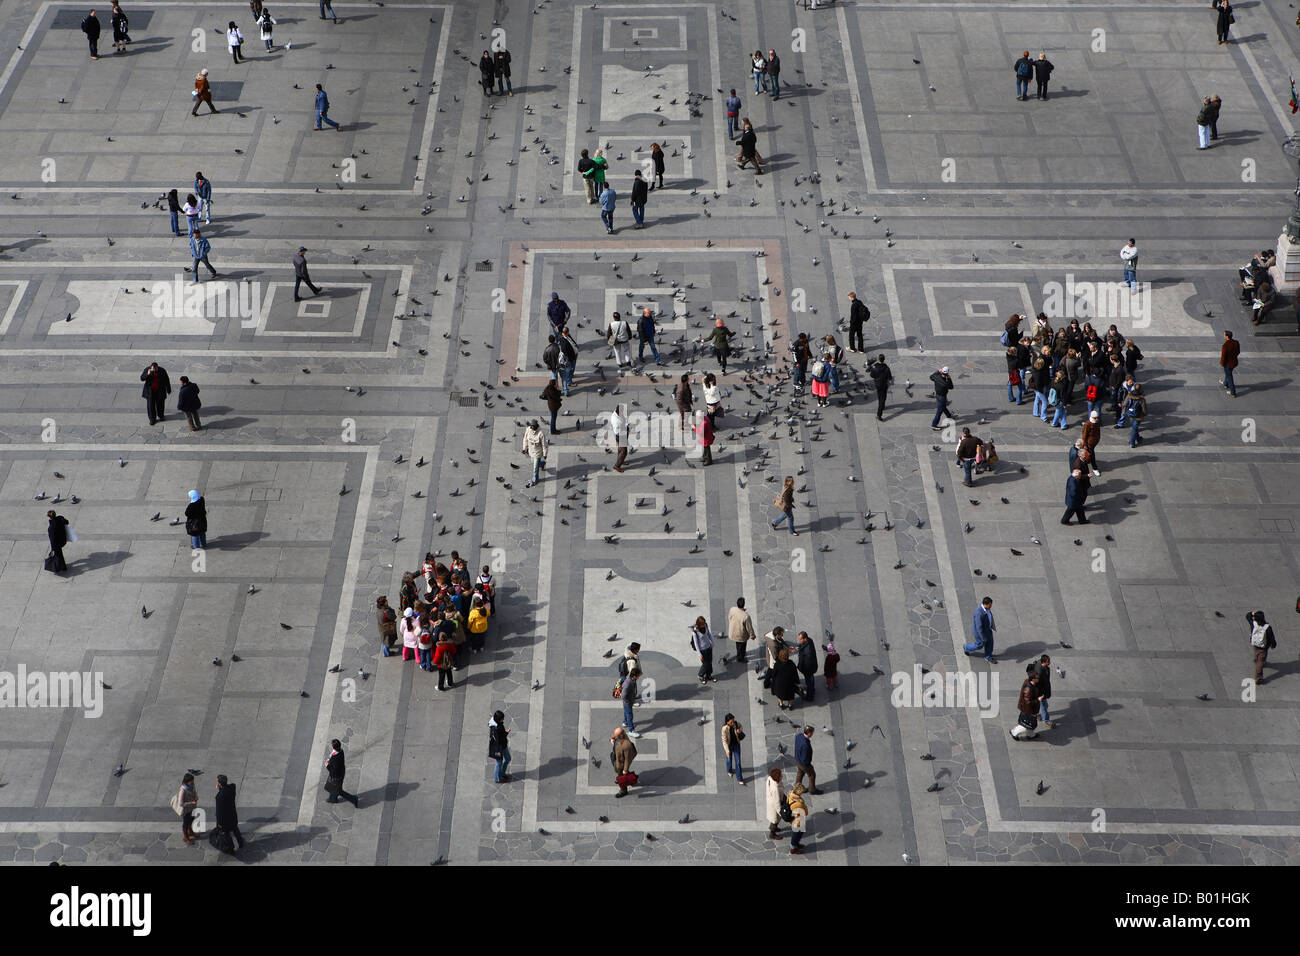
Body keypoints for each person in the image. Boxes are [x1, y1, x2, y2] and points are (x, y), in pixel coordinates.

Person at [214, 775, 245, 852]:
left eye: (217, 781)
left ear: (219, 784)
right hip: (232, 815)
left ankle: (230, 848)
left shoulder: (220, 797)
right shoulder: (232, 788)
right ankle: (240, 842)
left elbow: (219, 812)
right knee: (235, 829)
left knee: (226, 834)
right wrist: (221, 787)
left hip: (225, 820)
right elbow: (232, 785)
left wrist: (219, 823)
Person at [324, 739, 358, 805]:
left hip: (337, 776)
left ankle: (354, 799)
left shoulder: (335, 758)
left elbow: (334, 770)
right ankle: (333, 798)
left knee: (338, 790)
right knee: (334, 788)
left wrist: (327, 765)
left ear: (334, 747)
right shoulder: (341, 751)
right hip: (341, 773)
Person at [1012, 667, 1041, 740]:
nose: (1038, 679)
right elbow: (1027, 702)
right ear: (1033, 679)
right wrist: (1038, 700)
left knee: (1030, 723)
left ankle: (1030, 734)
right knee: (1026, 725)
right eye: (1037, 678)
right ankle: (1014, 732)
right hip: (1028, 710)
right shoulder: (1028, 688)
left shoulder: (1029, 683)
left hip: (1029, 709)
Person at [964, 596, 996, 662]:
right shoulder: (979, 613)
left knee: (990, 642)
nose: (991, 606)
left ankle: (988, 656)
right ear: (986, 604)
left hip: (988, 629)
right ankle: (967, 647)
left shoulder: (987, 609)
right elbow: (979, 627)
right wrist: (983, 637)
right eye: (990, 605)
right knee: (980, 645)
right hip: (981, 633)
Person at [1248, 610, 1276, 684]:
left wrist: (1251, 613)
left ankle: (1255, 659)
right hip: (1263, 647)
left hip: (1254, 644)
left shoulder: (1253, 624)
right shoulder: (1267, 627)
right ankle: (1258, 678)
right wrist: (1273, 644)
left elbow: (1247, 616)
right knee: (1261, 662)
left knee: (1256, 653)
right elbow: (1271, 637)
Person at [727, 597, 757, 663]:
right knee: (742, 647)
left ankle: (739, 654)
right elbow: (749, 628)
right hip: (741, 635)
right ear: (744, 604)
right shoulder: (746, 616)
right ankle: (740, 658)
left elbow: (729, 617)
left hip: (733, 632)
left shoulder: (732, 609)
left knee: (738, 645)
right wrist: (752, 635)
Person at [140, 361, 171, 425]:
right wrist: (147, 374)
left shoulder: (162, 370)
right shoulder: (147, 370)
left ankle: (161, 416)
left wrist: (168, 389)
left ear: (157, 367)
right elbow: (142, 378)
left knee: (161, 404)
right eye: (153, 369)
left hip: (160, 390)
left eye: (155, 369)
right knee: (150, 405)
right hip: (150, 391)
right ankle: (152, 419)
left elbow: (166, 380)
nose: (154, 370)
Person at [793, 725, 820, 793]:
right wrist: (808, 765)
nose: (813, 734)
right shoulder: (805, 745)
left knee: (800, 773)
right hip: (804, 763)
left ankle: (797, 788)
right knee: (812, 775)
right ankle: (812, 790)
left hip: (797, 759)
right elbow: (805, 758)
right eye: (812, 733)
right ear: (809, 733)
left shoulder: (799, 736)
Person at [612, 726, 638, 796]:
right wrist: (612, 739)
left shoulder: (626, 745)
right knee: (622, 773)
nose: (615, 737)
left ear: (621, 735)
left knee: (621, 776)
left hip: (621, 763)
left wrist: (625, 769)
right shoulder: (620, 736)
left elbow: (627, 759)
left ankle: (623, 790)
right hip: (617, 758)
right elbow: (615, 736)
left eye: (616, 736)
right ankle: (633, 777)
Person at [521, 419, 548, 487]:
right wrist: (524, 448)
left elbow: (544, 445)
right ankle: (542, 464)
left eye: (533, 426)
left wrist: (545, 454)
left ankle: (535, 479)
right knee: (534, 463)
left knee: (535, 468)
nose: (532, 427)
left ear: (536, 426)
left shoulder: (541, 433)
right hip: (531, 451)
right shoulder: (528, 430)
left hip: (538, 453)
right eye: (531, 426)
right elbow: (525, 439)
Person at [1032, 655, 1056, 730]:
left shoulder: (1040, 665)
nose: (1050, 663)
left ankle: (1036, 715)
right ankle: (1046, 720)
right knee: (1044, 706)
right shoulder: (1040, 672)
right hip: (1040, 692)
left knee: (1039, 705)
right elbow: (1038, 684)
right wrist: (1041, 695)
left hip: (1039, 691)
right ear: (1044, 662)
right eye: (1048, 661)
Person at [721, 714, 746, 785]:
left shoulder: (736, 724)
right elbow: (724, 740)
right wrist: (727, 751)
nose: (733, 723)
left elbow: (741, 726)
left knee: (738, 762)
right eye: (731, 722)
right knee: (729, 760)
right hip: (729, 746)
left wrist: (739, 730)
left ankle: (739, 778)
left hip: (736, 745)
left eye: (733, 721)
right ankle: (729, 771)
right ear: (727, 722)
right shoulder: (724, 729)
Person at [618, 664, 642, 738]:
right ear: (634, 676)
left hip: (629, 701)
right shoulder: (628, 683)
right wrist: (628, 702)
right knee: (630, 715)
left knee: (626, 712)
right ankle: (631, 730)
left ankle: (625, 722)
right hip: (628, 702)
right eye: (638, 676)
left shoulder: (631, 679)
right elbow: (623, 695)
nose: (639, 677)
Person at [690, 616, 715, 683]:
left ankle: (708, 675)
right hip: (702, 650)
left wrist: (712, 643)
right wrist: (699, 654)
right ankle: (700, 675)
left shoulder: (705, 626)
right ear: (699, 624)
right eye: (702, 624)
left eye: (704, 623)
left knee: (710, 662)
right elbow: (696, 644)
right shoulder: (695, 632)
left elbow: (709, 634)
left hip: (709, 647)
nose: (704, 625)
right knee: (705, 664)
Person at [489, 711, 511, 782]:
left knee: (507, 759)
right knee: (499, 762)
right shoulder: (497, 727)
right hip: (498, 748)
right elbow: (500, 738)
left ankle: (501, 773)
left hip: (502, 746)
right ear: (499, 719)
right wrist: (506, 733)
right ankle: (498, 779)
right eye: (502, 718)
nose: (503, 719)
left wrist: (504, 733)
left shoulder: (497, 725)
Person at [787, 783, 809, 855]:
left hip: (794, 818)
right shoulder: (799, 804)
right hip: (797, 821)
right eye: (802, 792)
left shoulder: (790, 793)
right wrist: (803, 804)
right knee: (796, 834)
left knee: (798, 833)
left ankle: (796, 844)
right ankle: (793, 848)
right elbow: (805, 812)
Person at [177, 773, 199, 843]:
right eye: (191, 781)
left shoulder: (192, 785)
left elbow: (194, 791)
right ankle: (186, 837)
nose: (193, 782)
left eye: (193, 781)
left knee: (192, 819)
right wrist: (192, 803)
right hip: (186, 810)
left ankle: (190, 831)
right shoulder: (183, 790)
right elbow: (181, 803)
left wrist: (196, 797)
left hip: (192, 808)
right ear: (187, 781)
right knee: (185, 823)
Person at [796, 631, 818, 702]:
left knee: (809, 681)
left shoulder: (808, 651)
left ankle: (810, 696)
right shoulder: (809, 640)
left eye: (800, 639)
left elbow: (806, 662)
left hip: (808, 669)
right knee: (811, 679)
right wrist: (799, 647)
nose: (799, 641)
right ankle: (812, 689)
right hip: (812, 667)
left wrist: (801, 668)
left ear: (805, 638)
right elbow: (803, 646)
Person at [869, 353, 892, 420]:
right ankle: (879, 413)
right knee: (883, 398)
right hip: (884, 385)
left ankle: (881, 405)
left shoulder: (875, 366)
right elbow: (890, 378)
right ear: (884, 360)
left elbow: (871, 375)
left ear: (879, 359)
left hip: (877, 384)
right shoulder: (886, 368)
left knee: (879, 395)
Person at [1122, 383, 1145, 447]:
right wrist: (1144, 414)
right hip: (1138, 416)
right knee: (1134, 429)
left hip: (1130, 414)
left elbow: (1124, 404)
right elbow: (1144, 409)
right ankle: (1132, 443)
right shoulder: (1141, 399)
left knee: (1134, 427)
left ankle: (1138, 438)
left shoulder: (1129, 395)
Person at [765, 767, 785, 839]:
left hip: (770, 802)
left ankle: (774, 828)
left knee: (774, 820)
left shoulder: (770, 779)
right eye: (780, 775)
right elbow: (776, 802)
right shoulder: (775, 789)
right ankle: (772, 834)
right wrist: (781, 813)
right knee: (774, 820)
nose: (782, 776)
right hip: (774, 806)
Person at [558, 325, 578, 395]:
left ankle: (571, 376)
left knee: (572, 369)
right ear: (565, 333)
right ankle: (569, 382)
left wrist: (576, 346)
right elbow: (564, 352)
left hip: (574, 355)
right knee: (570, 369)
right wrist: (569, 359)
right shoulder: (563, 341)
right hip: (570, 358)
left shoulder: (567, 335)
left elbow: (572, 341)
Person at [1219, 329, 1240, 397]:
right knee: (1228, 373)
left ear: (1227, 336)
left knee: (1229, 376)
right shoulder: (1236, 342)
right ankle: (1225, 383)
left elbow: (1223, 356)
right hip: (1234, 362)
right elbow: (1238, 352)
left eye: (1224, 334)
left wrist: (1222, 363)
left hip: (1228, 364)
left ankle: (1233, 392)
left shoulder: (1225, 346)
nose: (1224, 335)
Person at [610, 404, 629, 472]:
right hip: (621, 435)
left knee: (620, 449)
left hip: (622, 433)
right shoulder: (616, 422)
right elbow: (617, 432)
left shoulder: (616, 413)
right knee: (624, 451)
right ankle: (617, 466)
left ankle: (621, 461)